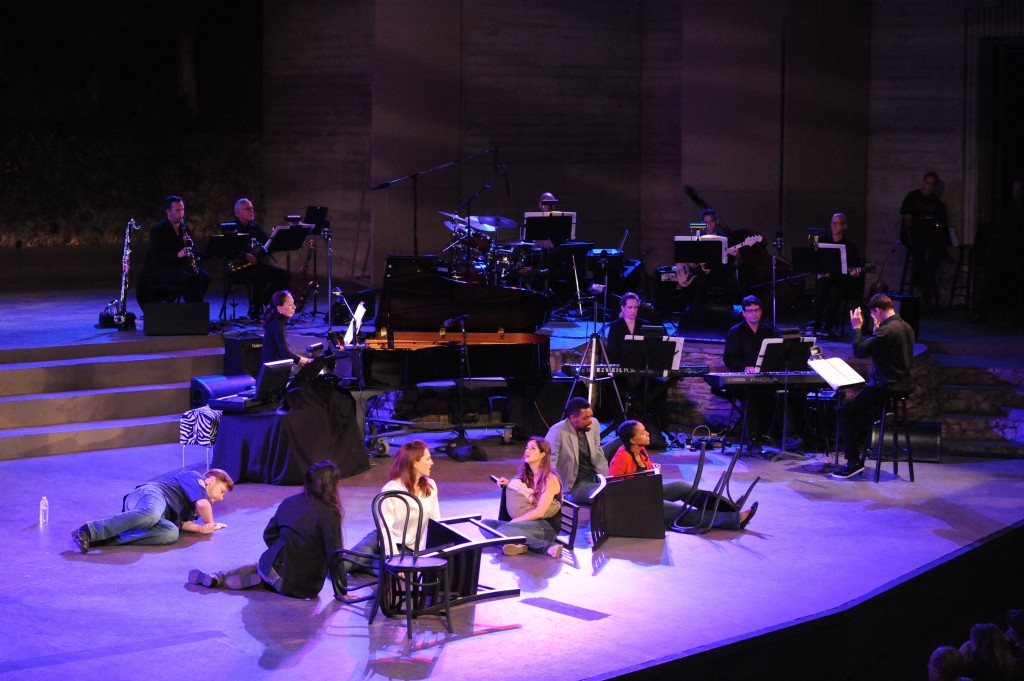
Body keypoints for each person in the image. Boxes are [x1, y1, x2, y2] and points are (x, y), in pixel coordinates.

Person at [186, 461, 343, 598]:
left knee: (261, 566)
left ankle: (218, 577)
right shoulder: (330, 513)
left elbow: (269, 534)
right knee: (280, 577)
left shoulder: (289, 502)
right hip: (302, 587)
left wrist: (281, 552)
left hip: (271, 567)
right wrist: (341, 590)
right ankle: (260, 584)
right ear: (332, 485)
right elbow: (334, 552)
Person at [609, 420, 755, 530]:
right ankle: (734, 520)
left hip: (646, 494)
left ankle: (724, 507)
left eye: (645, 430)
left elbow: (646, 475)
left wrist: (653, 471)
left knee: (681, 486)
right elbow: (614, 491)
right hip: (634, 505)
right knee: (683, 511)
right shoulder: (621, 458)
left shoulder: (640, 450)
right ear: (632, 440)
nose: (647, 433)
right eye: (642, 433)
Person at [832, 293, 915, 479]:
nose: (873, 319)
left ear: (877, 310)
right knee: (861, 413)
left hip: (886, 387)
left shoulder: (887, 331)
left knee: (844, 412)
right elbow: (881, 347)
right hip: (903, 384)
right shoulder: (905, 326)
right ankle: (861, 452)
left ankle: (853, 463)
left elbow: (860, 350)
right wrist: (877, 330)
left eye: (873, 315)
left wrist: (857, 327)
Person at [71, 468, 234, 552]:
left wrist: (201, 528)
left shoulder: (194, 507)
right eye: (222, 491)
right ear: (211, 480)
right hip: (152, 494)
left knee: (171, 533)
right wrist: (211, 523)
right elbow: (203, 505)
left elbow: (184, 524)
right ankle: (88, 530)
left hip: (160, 516)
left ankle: (104, 539)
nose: (221, 498)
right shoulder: (196, 478)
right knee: (151, 514)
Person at [340, 440, 440, 576]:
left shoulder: (430, 486)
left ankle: (369, 565)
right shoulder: (392, 489)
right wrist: (395, 558)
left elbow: (436, 523)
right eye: (427, 459)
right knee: (344, 565)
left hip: (409, 547)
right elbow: (385, 530)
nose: (431, 463)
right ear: (415, 463)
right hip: (384, 537)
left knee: (395, 573)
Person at [482, 437, 565, 559]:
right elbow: (523, 490)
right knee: (485, 525)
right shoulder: (529, 475)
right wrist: (508, 483)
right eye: (527, 447)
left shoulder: (550, 479)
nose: (527, 451)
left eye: (532, 448)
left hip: (545, 526)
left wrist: (515, 521)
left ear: (542, 455)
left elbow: (540, 512)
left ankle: (547, 546)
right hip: (527, 524)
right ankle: (515, 545)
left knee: (503, 530)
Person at [723, 295, 778, 449]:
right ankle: (752, 439)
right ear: (744, 312)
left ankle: (777, 435)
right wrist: (744, 368)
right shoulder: (735, 332)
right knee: (752, 398)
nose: (754, 314)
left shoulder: (770, 331)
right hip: (743, 382)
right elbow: (729, 359)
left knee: (784, 394)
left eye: (757, 310)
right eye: (750, 311)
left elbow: (779, 350)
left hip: (766, 378)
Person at [224, 198, 290, 314]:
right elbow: (227, 249)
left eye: (252, 208)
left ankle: (264, 303)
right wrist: (244, 254)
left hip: (256, 266)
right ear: (238, 212)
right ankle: (256, 310)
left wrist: (274, 238)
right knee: (261, 275)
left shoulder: (255, 227)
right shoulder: (230, 228)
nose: (252, 211)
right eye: (248, 209)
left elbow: (266, 247)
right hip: (238, 269)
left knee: (284, 276)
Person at [142, 195, 211, 303]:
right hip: (162, 269)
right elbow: (156, 257)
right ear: (168, 211)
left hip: (180, 268)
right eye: (177, 210)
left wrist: (191, 247)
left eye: (182, 210)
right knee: (189, 279)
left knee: (204, 277)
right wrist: (177, 255)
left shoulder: (185, 229)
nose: (181, 213)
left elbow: (190, 251)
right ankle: (193, 308)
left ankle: (194, 306)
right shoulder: (158, 230)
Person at [810, 213, 865, 338]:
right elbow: (814, 260)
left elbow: (854, 267)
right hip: (825, 278)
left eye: (838, 223)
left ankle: (828, 327)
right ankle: (815, 325)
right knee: (821, 287)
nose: (835, 226)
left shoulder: (850, 246)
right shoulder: (822, 241)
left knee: (835, 291)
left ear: (844, 226)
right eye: (833, 223)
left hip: (842, 280)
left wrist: (854, 273)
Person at [900, 171, 949, 308]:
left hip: (930, 239)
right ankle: (922, 291)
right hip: (913, 237)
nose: (929, 187)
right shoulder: (912, 197)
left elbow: (941, 224)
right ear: (923, 182)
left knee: (936, 256)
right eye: (927, 183)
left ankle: (925, 288)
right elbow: (907, 220)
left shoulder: (938, 204)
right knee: (919, 256)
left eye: (932, 184)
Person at [546, 397, 607, 504]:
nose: (590, 421)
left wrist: (607, 479)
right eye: (586, 418)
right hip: (575, 484)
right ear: (573, 418)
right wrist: (555, 492)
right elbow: (549, 465)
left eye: (591, 416)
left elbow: (598, 452)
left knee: (624, 438)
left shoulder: (594, 423)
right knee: (606, 494)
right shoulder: (556, 432)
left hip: (593, 474)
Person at [674, 208, 740, 305]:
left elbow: (735, 260)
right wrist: (691, 262)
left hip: (721, 273)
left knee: (731, 285)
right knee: (695, 287)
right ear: (703, 223)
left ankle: (725, 313)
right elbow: (688, 255)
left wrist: (737, 255)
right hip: (703, 273)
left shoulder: (726, 239)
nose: (709, 225)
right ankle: (700, 313)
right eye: (706, 222)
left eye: (711, 221)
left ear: (716, 221)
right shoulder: (698, 237)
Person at [261, 290, 311, 366]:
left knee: (305, 354)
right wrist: (308, 361)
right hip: (275, 370)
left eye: (293, 303)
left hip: (277, 365)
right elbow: (286, 354)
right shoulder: (277, 325)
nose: (294, 307)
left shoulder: (277, 321)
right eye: (290, 304)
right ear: (279, 308)